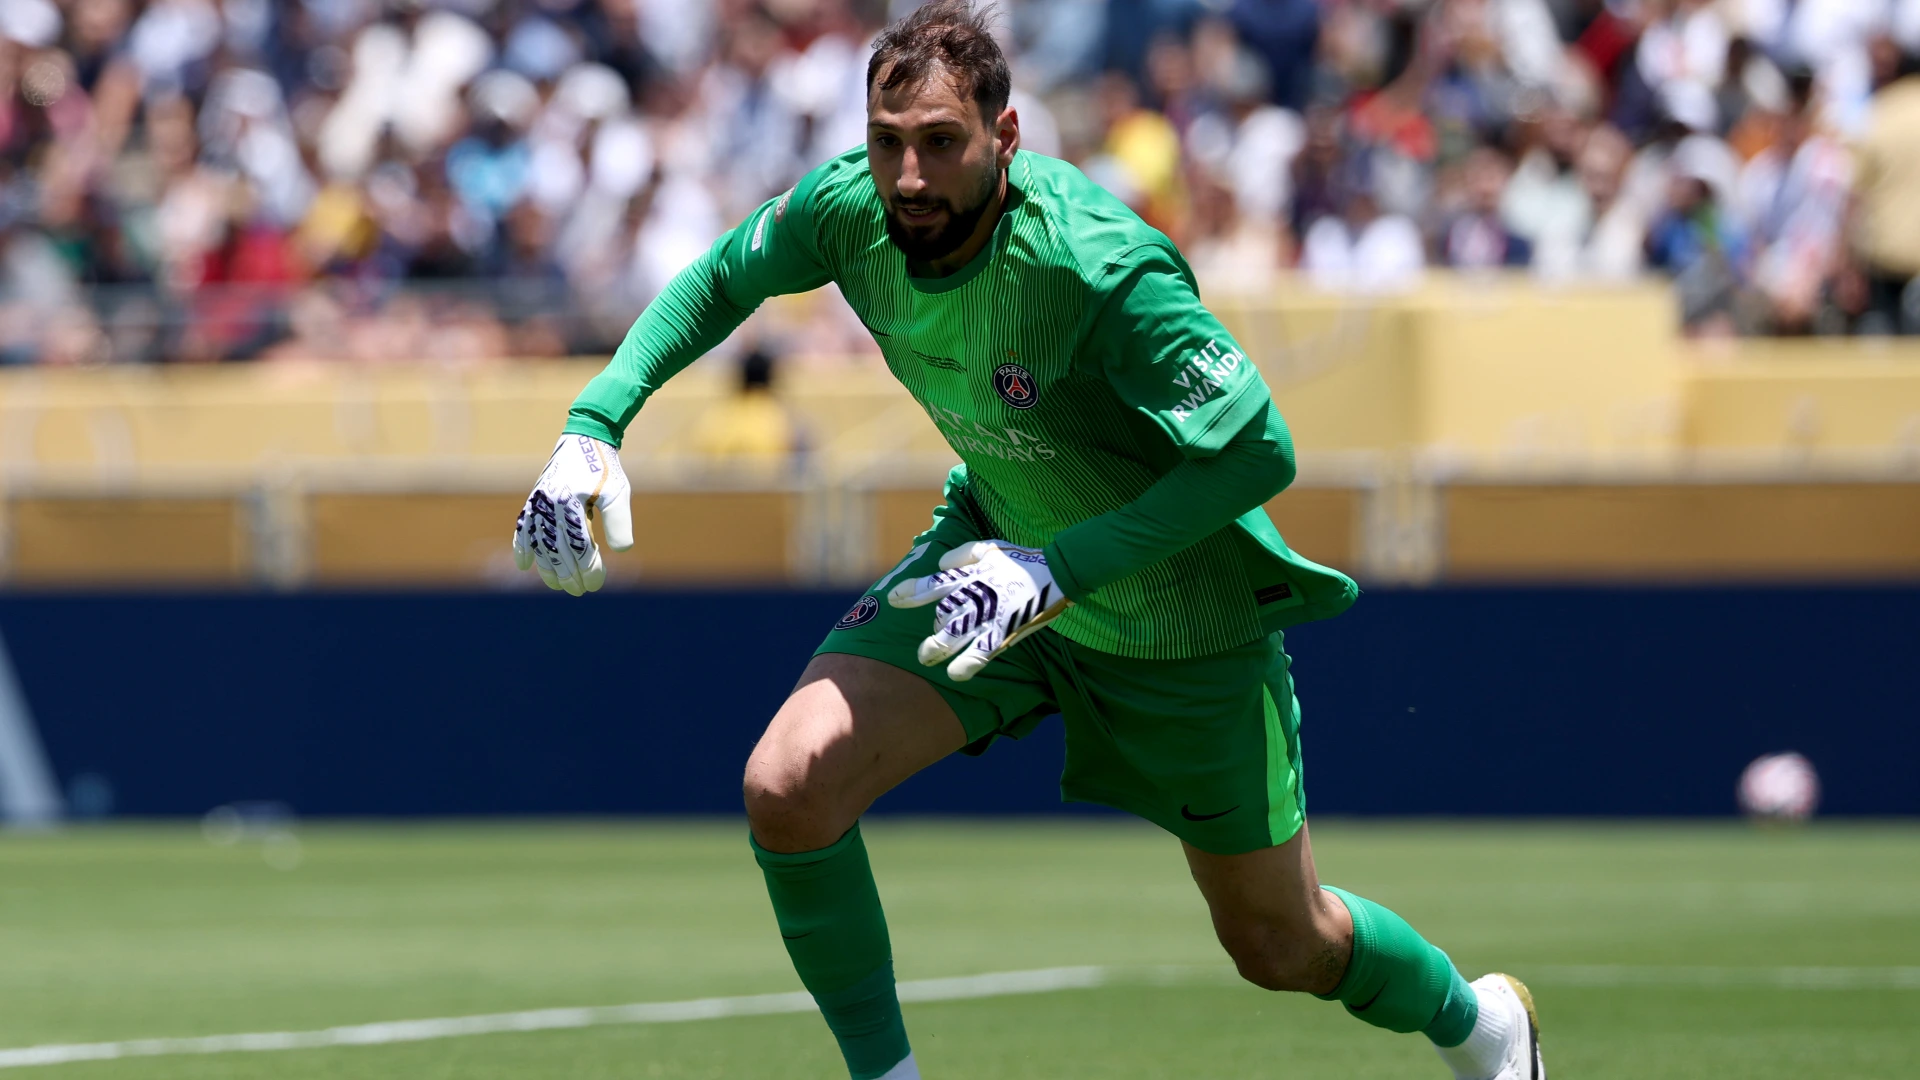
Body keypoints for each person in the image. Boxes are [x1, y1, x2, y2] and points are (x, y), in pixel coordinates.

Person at [509, 5, 1544, 1080]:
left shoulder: (1098, 267)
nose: (909, 176)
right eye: (887, 142)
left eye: (940, 142)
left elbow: (1259, 453)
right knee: (788, 786)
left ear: (1005, 137)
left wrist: (1063, 570)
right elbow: (726, 274)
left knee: (1285, 944)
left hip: (1171, 615)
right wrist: (595, 423)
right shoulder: (850, 209)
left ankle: (1480, 1025)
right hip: (990, 560)